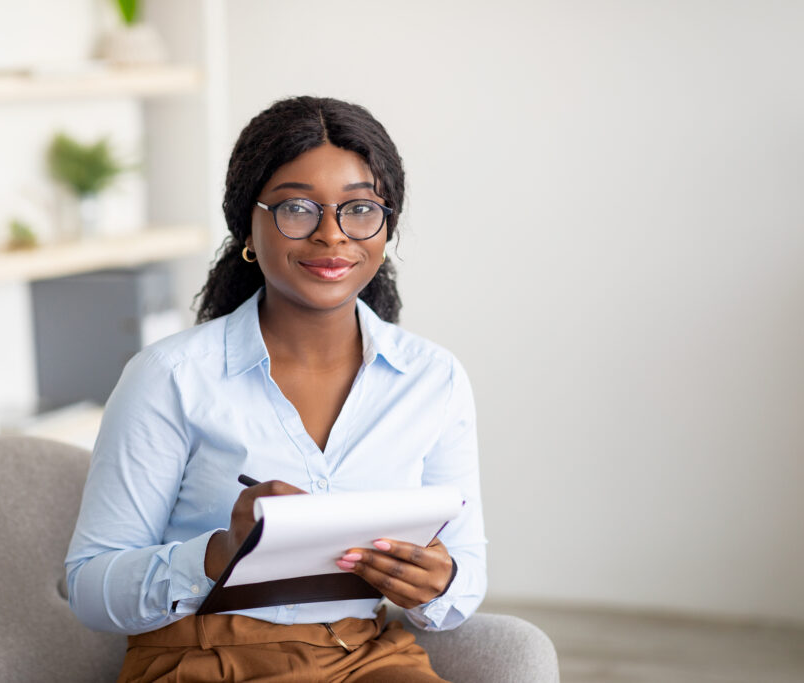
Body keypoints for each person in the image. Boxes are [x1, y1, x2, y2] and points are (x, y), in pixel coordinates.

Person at [65, 96, 487, 682]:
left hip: (362, 657)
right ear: (248, 224)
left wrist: (437, 584)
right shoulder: (170, 377)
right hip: (201, 658)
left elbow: (463, 577)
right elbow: (88, 587)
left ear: (385, 226)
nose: (331, 236)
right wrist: (218, 555)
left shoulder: (432, 378)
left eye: (359, 209)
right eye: (296, 208)